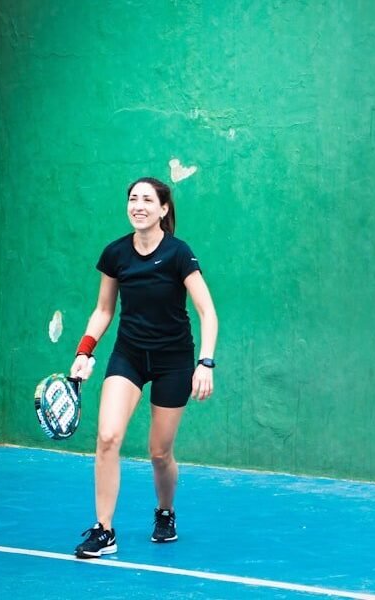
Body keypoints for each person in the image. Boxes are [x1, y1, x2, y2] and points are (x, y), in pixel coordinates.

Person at [68, 177, 218, 559]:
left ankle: (165, 512)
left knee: (158, 453)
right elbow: (104, 310)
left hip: (174, 361)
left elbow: (207, 312)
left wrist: (206, 362)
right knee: (107, 437)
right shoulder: (116, 254)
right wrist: (84, 351)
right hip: (129, 356)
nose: (138, 205)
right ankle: (104, 530)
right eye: (133, 199)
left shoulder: (179, 254)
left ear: (163, 210)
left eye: (147, 200)